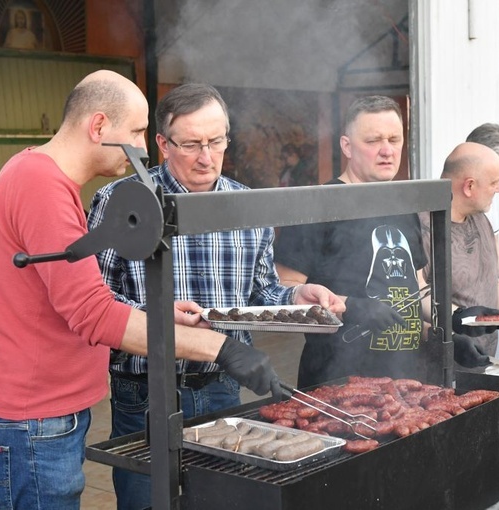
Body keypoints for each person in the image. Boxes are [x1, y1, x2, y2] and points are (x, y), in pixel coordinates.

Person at [0, 71, 283, 510]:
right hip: (32, 423)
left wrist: (162, 314)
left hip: (43, 420)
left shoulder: (43, 179)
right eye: (136, 131)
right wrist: (220, 347)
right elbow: (94, 313)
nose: (141, 147)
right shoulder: (42, 185)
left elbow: (80, 299)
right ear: (98, 127)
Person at [87, 83, 344, 510]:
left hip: (224, 386)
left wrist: (298, 293)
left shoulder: (246, 205)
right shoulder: (121, 202)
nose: (206, 157)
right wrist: (156, 314)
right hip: (146, 391)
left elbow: (261, 293)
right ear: (163, 144)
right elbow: (95, 302)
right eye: (191, 145)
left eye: (216, 141)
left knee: (222, 501)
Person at [273, 96, 497, 387]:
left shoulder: (403, 207)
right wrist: (350, 306)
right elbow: (283, 294)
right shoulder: (317, 205)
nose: (387, 151)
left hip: (406, 383)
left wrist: (453, 323)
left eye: (394, 139)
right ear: (347, 146)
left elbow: (414, 290)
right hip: (337, 386)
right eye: (373, 141)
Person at [420, 142, 499, 361]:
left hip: (483, 361)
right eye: (495, 182)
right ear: (469, 186)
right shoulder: (421, 227)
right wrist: (454, 324)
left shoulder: (481, 220)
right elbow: (416, 296)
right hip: (440, 366)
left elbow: (492, 279)